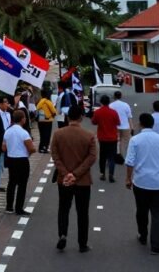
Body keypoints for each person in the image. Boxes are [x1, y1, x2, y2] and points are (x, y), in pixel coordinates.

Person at [125, 113, 159, 255]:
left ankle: (142, 234)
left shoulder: (135, 140)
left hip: (141, 182)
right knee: (158, 214)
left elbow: (130, 162)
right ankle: (156, 245)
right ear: (153, 124)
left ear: (141, 124)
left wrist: (128, 178)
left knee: (141, 211)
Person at [51, 105, 97, 253]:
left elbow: (55, 156)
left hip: (63, 180)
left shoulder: (58, 134)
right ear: (81, 117)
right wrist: (76, 174)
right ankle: (82, 243)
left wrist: (66, 174)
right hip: (83, 180)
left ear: (68, 117)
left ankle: (62, 234)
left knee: (63, 208)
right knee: (82, 212)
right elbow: (91, 157)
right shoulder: (89, 135)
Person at [2, 109, 35, 215]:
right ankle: (19, 208)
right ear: (22, 119)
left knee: (11, 183)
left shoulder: (8, 131)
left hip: (11, 159)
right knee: (22, 185)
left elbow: (3, 147)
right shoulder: (24, 132)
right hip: (22, 160)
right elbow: (31, 148)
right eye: (24, 117)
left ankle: (9, 207)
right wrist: (29, 153)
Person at [91, 95, 121, 183]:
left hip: (102, 137)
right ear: (109, 102)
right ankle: (111, 174)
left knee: (102, 156)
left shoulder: (98, 112)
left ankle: (102, 173)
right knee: (112, 157)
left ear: (101, 102)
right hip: (113, 137)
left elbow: (93, 122)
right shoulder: (114, 112)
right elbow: (118, 122)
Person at [111, 90, 134, 157]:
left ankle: (118, 155)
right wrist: (132, 127)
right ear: (121, 96)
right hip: (125, 127)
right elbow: (129, 117)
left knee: (117, 141)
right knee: (127, 142)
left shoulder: (111, 105)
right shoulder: (126, 105)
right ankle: (128, 155)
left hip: (115, 127)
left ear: (114, 96)